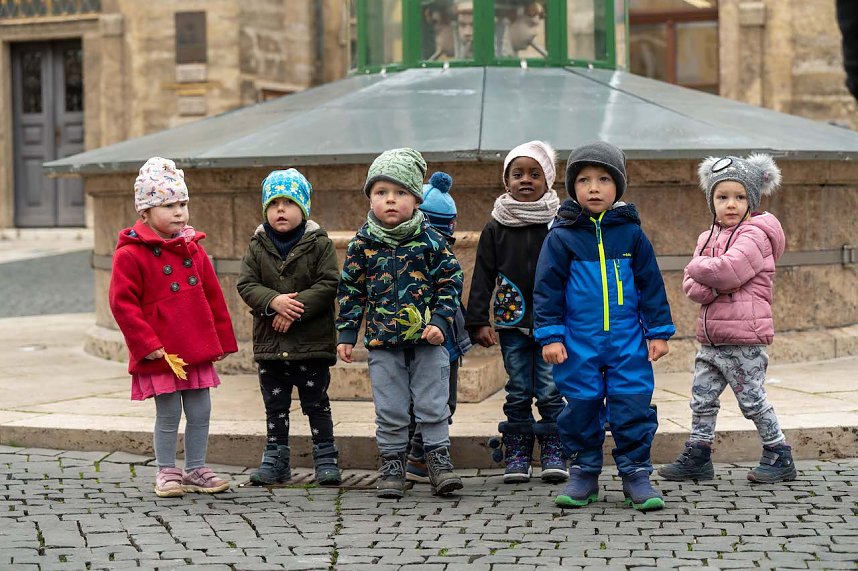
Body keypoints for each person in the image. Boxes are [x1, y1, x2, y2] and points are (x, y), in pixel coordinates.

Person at [534, 141, 675, 511]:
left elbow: (651, 285)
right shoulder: (561, 236)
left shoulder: (631, 234)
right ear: (572, 187)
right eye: (583, 180)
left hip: (628, 342)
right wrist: (550, 335)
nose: (593, 188)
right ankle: (584, 471)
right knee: (580, 407)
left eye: (603, 179)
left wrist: (658, 331)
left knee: (632, 405)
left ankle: (636, 474)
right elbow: (546, 290)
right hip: (579, 344)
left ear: (618, 187)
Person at [658, 154, 796, 484]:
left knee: (752, 400)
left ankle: (779, 453)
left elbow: (728, 271)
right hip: (711, 337)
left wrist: (698, 269)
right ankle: (699, 454)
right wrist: (711, 283)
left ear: (752, 199)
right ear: (712, 200)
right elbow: (693, 288)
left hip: (744, 336)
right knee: (701, 397)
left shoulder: (755, 236)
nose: (730, 204)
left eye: (739, 197)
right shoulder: (707, 238)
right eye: (722, 197)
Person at [336, 148, 465, 499]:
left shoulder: (431, 240)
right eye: (381, 193)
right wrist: (347, 332)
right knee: (390, 405)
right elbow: (351, 289)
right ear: (370, 198)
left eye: (400, 193)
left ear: (416, 199)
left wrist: (441, 319)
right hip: (382, 342)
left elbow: (451, 281)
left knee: (432, 402)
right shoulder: (363, 244)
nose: (390, 200)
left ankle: (438, 460)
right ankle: (392, 464)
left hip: (428, 339)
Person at [108, 157, 238, 498]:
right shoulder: (130, 255)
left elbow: (212, 297)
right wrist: (146, 342)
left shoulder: (193, 248)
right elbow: (122, 305)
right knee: (168, 412)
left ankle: (196, 468)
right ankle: (166, 470)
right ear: (146, 213)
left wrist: (220, 341)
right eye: (168, 205)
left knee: (200, 409)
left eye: (182, 203)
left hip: (194, 347)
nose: (179, 212)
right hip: (162, 350)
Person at [466, 140, 567, 484]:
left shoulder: (559, 223)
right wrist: (477, 320)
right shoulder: (496, 225)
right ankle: (518, 450)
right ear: (506, 180)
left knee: (551, 388)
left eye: (535, 174)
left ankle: (555, 447)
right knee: (519, 387)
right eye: (518, 173)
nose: (526, 180)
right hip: (511, 322)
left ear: (548, 180)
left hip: (552, 322)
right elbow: (482, 274)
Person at [237, 168, 342, 487]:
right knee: (275, 406)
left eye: (289, 202)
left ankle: (325, 457)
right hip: (271, 347)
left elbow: (329, 283)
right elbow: (246, 284)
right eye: (274, 203)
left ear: (304, 208)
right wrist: (273, 301)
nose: (280, 209)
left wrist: (293, 309)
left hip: (310, 344)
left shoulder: (319, 243)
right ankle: (276, 457)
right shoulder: (258, 245)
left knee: (316, 402)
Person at [404, 171, 472, 483]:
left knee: (445, 397)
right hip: (415, 336)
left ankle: (421, 454)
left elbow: (452, 293)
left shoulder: (443, 257)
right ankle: (412, 451)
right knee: (412, 396)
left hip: (446, 336)